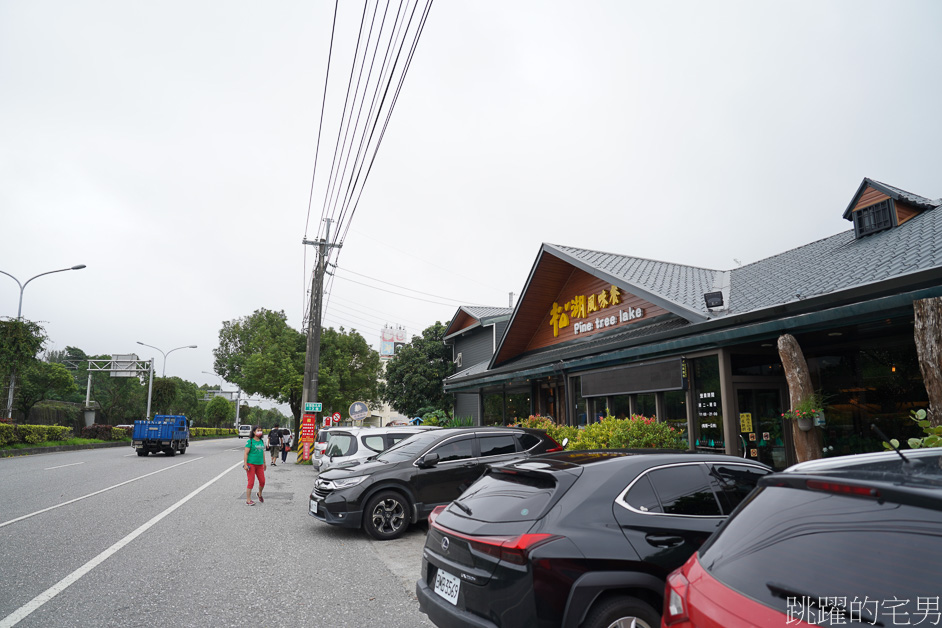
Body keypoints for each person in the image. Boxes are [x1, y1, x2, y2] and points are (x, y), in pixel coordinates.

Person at [243, 425, 266, 506]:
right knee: (251, 482)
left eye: (261, 430)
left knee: (262, 481)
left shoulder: (261, 441)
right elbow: (246, 453)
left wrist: (264, 463)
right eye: (258, 430)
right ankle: (248, 500)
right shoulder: (250, 441)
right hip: (251, 464)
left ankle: (259, 494)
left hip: (260, 464)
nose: (260, 431)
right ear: (253, 432)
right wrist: (245, 464)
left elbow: (262, 452)